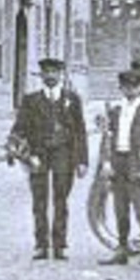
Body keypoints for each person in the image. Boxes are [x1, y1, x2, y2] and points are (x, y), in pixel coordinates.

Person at [8, 57, 89, 261]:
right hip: (38, 155)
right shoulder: (31, 100)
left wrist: (82, 160)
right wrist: (13, 145)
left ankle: (59, 244)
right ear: (41, 75)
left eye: (54, 72)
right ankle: (41, 244)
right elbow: (20, 127)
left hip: (64, 154)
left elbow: (80, 131)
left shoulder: (72, 99)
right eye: (47, 72)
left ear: (60, 74)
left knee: (61, 199)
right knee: (39, 200)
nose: (51, 76)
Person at [98, 70, 140, 265]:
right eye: (125, 86)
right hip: (119, 162)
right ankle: (122, 249)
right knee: (120, 208)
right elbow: (107, 137)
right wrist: (107, 162)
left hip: (137, 163)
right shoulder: (116, 110)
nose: (129, 90)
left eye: (133, 86)